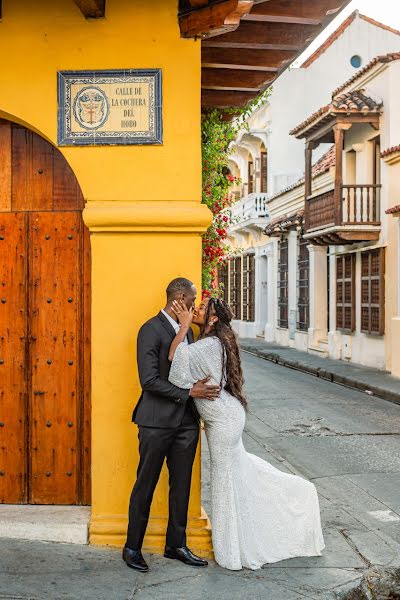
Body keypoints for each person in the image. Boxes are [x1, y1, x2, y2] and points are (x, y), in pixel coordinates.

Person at [168, 296, 325, 571]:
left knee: (225, 480)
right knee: (236, 476)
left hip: (224, 420)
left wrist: (181, 327)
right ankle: (244, 535)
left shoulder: (207, 345)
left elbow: (175, 365)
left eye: (202, 308)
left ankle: (231, 551)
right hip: (226, 416)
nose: (195, 310)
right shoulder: (214, 342)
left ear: (213, 319)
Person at [123, 278, 220, 572]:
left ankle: (175, 545)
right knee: (146, 484)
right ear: (180, 298)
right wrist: (190, 392)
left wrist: (199, 386)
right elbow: (149, 381)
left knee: (182, 486)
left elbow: (186, 369)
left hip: (186, 423)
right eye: (192, 300)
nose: (195, 306)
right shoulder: (149, 330)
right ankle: (132, 548)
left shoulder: (188, 331)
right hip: (154, 422)